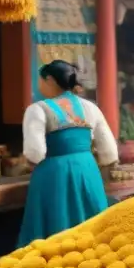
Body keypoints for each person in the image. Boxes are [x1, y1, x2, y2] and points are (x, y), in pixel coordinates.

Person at [19, 60, 118, 246]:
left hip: (55, 175)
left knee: (57, 231)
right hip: (87, 170)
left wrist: (26, 164)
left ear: (49, 80)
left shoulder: (39, 109)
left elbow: (35, 153)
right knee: (92, 229)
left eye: (40, 80)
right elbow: (109, 152)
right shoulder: (90, 108)